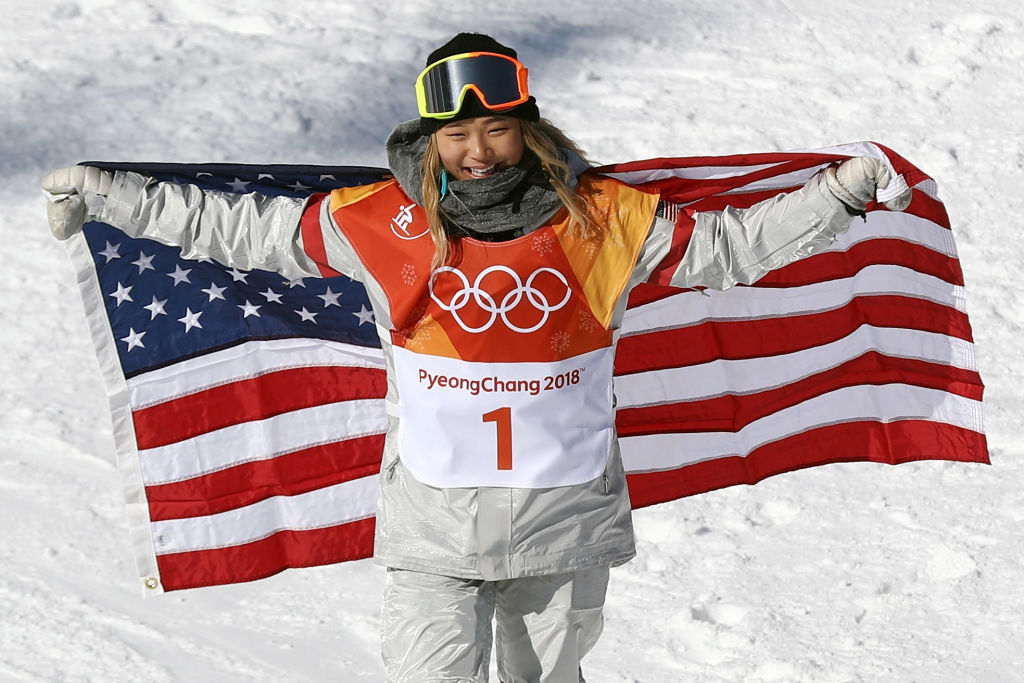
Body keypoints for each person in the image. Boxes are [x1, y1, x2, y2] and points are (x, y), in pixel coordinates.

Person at [41, 32, 911, 683]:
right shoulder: (379, 220)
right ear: (430, 140)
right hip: (431, 531)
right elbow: (243, 229)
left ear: (527, 130)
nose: (477, 151)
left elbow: (732, 248)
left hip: (562, 527)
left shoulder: (602, 216)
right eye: (456, 137)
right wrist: (113, 194)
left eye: (495, 131)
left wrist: (839, 193)